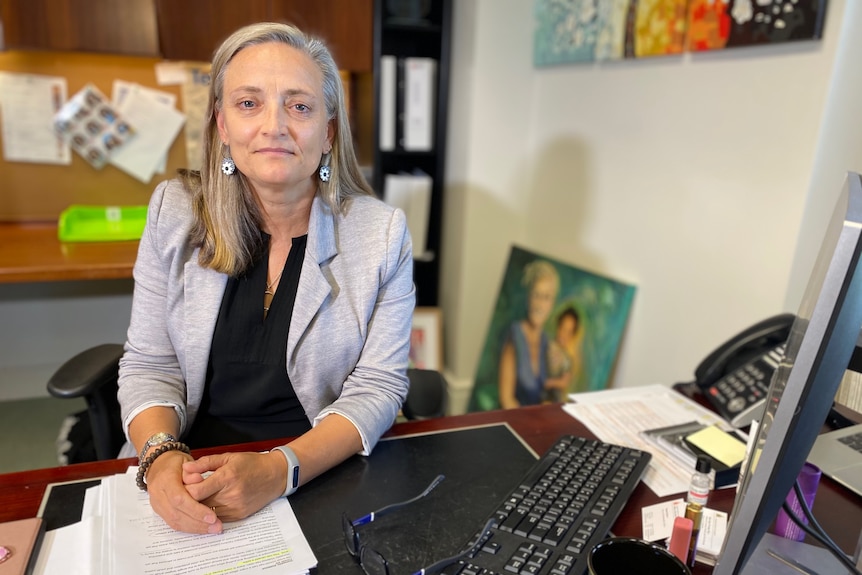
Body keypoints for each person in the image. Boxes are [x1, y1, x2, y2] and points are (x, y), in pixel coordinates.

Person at [116, 22, 415, 535]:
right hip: (186, 468)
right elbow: (149, 363)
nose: (274, 125)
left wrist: (281, 470)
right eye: (249, 103)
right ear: (222, 126)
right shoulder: (174, 212)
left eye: (299, 106)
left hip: (313, 471)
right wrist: (162, 458)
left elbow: (378, 386)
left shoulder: (381, 234)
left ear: (328, 132)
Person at [497, 260, 560, 408]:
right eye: (536, 295)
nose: (539, 304)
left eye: (546, 297)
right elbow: (506, 401)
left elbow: (547, 392)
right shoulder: (515, 335)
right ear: (528, 297)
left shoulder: (546, 341)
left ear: (552, 303)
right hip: (513, 422)